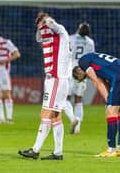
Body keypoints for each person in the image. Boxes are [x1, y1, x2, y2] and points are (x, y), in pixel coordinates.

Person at [18, 12, 71, 160]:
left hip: (56, 79)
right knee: (55, 116)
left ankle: (35, 150)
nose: (42, 29)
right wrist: (40, 25)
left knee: (45, 114)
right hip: (57, 80)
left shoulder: (61, 32)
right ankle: (58, 153)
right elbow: (38, 37)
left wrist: (46, 20)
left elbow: (54, 26)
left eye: (42, 25)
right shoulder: (51, 38)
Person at [73, 52, 120, 157]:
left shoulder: (83, 62)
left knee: (110, 111)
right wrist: (110, 97)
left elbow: (97, 82)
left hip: (119, 77)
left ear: (79, 72)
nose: (84, 78)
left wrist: (108, 101)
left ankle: (111, 149)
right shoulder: (94, 58)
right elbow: (104, 81)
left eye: (80, 77)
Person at [63, 22, 95, 134]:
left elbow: (65, 54)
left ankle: (72, 119)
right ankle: (77, 128)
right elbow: (92, 59)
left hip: (70, 70)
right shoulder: (90, 42)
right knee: (78, 99)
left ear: (78, 29)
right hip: (82, 71)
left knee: (65, 98)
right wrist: (87, 73)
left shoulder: (70, 38)